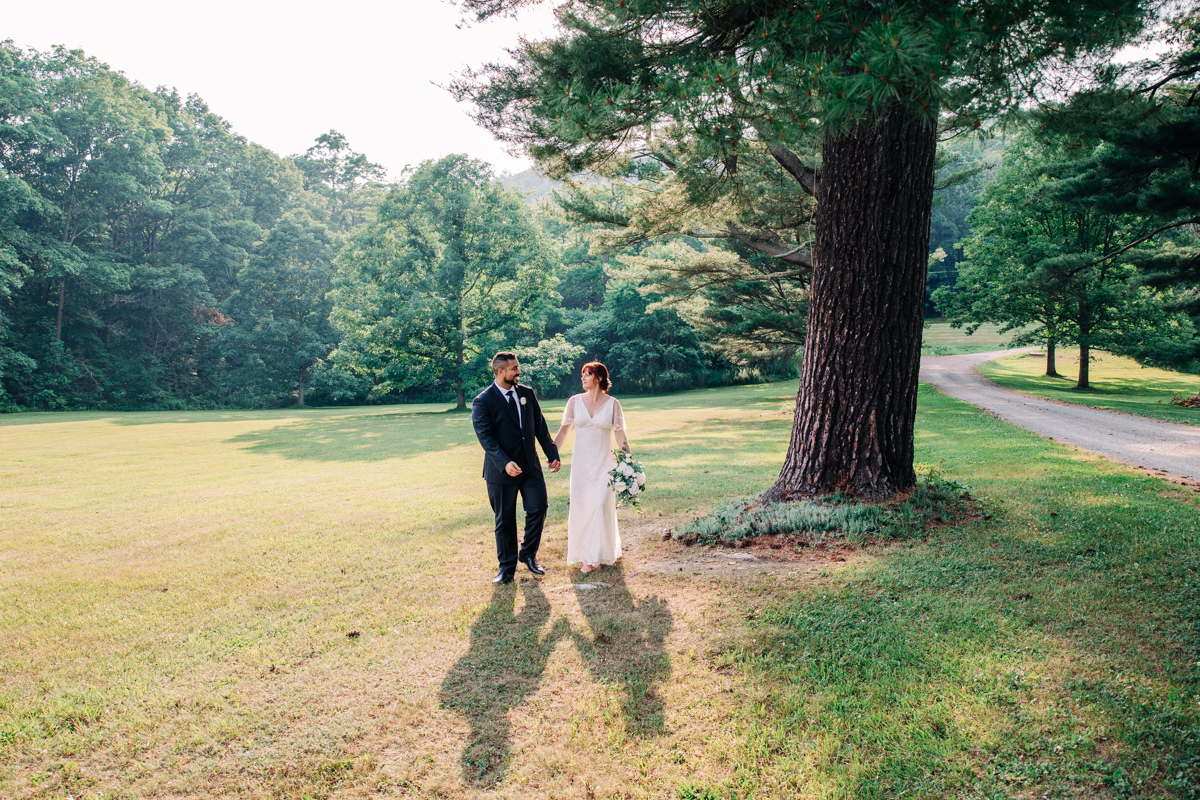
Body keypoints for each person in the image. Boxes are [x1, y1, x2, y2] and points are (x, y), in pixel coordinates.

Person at [472, 352, 561, 584]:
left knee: (539, 507)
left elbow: (540, 427)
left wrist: (552, 453)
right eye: (514, 368)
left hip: (530, 467)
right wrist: (504, 463)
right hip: (501, 471)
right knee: (505, 520)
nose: (518, 372)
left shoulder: (527, 394)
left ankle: (528, 554)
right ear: (501, 372)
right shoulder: (483, 401)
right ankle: (506, 567)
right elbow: (486, 438)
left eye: (517, 367)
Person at [553, 361, 630, 574]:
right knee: (583, 507)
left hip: (605, 463)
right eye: (582, 376)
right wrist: (553, 454)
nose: (583, 379)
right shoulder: (574, 402)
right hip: (581, 465)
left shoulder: (613, 404)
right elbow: (564, 431)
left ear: (598, 378)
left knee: (600, 504)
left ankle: (599, 554)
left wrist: (628, 462)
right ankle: (588, 557)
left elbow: (620, 434)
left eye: (587, 375)